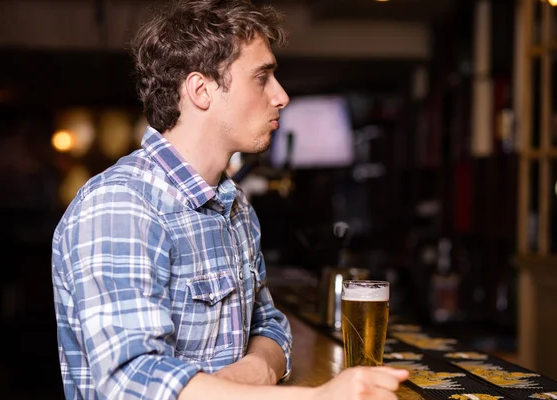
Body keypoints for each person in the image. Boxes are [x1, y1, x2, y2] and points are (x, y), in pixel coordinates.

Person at [51, 0, 409, 398]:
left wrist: (251, 372)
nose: (282, 96)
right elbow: (133, 382)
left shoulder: (234, 206)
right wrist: (318, 397)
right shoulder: (121, 205)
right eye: (262, 78)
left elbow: (270, 326)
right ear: (201, 90)